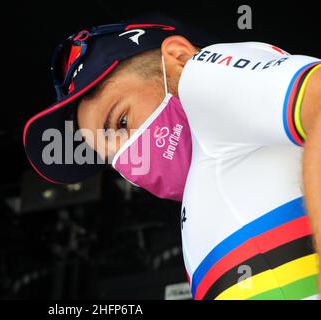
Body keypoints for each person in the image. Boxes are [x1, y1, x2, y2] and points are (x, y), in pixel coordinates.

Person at [23, 15, 321, 299]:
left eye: (121, 123)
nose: (128, 161)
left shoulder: (202, 78)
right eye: (110, 156)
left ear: (178, 58)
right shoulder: (212, 182)